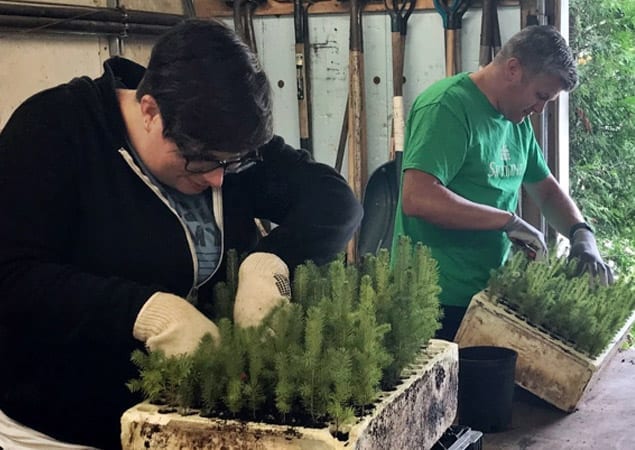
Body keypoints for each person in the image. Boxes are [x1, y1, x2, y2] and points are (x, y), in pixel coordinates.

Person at [0, 19, 362, 450]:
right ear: (150, 111)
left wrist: (268, 263)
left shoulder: (223, 143)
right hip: (66, 424)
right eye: (200, 161)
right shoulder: (55, 130)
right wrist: (148, 312)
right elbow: (14, 277)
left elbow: (335, 202)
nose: (216, 179)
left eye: (230, 164)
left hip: (186, 421)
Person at [391, 25, 613, 341]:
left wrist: (581, 234)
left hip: (488, 295)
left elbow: (546, 191)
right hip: (433, 300)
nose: (540, 109)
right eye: (541, 96)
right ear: (513, 69)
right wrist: (507, 221)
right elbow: (418, 198)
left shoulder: (515, 120)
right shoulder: (446, 107)